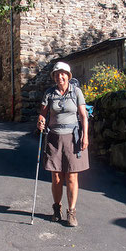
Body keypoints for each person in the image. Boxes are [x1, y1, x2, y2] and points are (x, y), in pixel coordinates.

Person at [37, 62, 89, 227]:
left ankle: (71, 212)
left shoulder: (76, 92)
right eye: (57, 74)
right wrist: (40, 121)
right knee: (56, 176)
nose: (60, 76)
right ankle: (57, 208)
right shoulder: (49, 93)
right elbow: (42, 114)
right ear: (54, 77)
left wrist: (85, 136)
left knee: (72, 176)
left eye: (63, 73)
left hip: (73, 138)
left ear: (68, 75)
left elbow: (83, 116)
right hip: (54, 138)